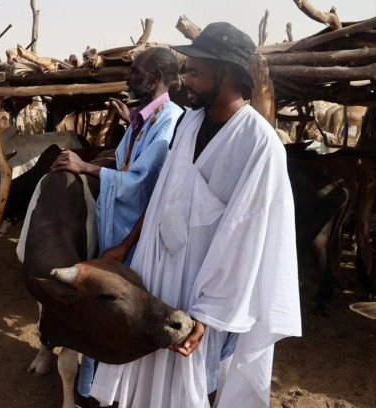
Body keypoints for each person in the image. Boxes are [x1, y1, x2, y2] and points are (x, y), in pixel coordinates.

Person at [89, 22, 302, 408]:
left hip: (206, 293)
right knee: (145, 369)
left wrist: (206, 315)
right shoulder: (189, 122)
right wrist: (127, 246)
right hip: (157, 275)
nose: (184, 80)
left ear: (227, 73)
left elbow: (247, 239)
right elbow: (164, 197)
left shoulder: (260, 146)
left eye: (195, 72)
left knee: (198, 381)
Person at [51, 46, 183, 399]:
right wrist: (132, 124)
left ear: (156, 77)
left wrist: (85, 167)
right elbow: (128, 162)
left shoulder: (170, 120)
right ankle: (98, 388)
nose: (128, 76)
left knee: (124, 312)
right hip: (117, 227)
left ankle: (121, 393)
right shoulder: (148, 118)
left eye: (135, 71)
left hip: (136, 236)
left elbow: (142, 180)